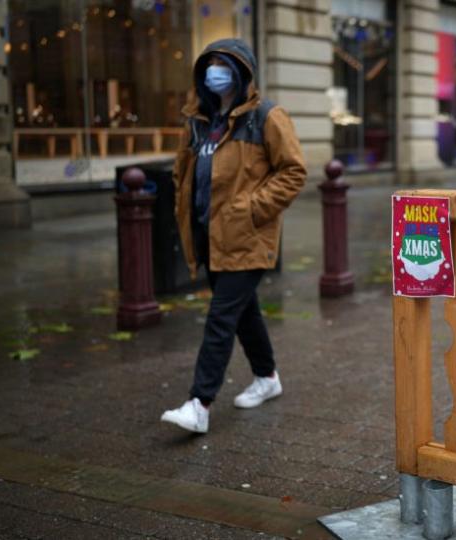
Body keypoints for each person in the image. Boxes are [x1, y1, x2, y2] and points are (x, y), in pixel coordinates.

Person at [160, 39, 306, 433]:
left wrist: (252, 209)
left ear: (241, 72)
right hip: (208, 236)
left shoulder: (265, 116)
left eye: (223, 65)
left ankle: (199, 403)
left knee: (221, 317)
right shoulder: (198, 121)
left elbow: (293, 171)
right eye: (209, 65)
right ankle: (267, 378)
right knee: (243, 313)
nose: (214, 72)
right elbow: (181, 173)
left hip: (247, 236)